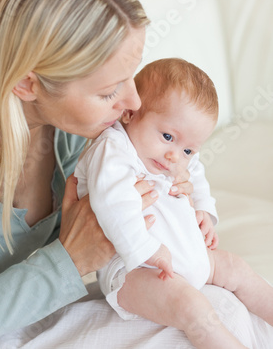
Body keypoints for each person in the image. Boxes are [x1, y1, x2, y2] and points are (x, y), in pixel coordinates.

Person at [0, 0, 195, 349]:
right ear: (27, 84)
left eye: (132, 76)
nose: (134, 103)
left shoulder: (83, 128)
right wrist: (68, 262)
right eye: (109, 91)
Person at [75, 58, 273, 349]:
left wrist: (204, 209)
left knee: (236, 268)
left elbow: (196, 171)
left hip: (187, 253)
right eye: (167, 136)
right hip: (134, 269)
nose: (175, 156)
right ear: (131, 113)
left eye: (188, 149)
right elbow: (111, 205)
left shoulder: (174, 155)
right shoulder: (113, 149)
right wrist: (146, 251)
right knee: (193, 309)